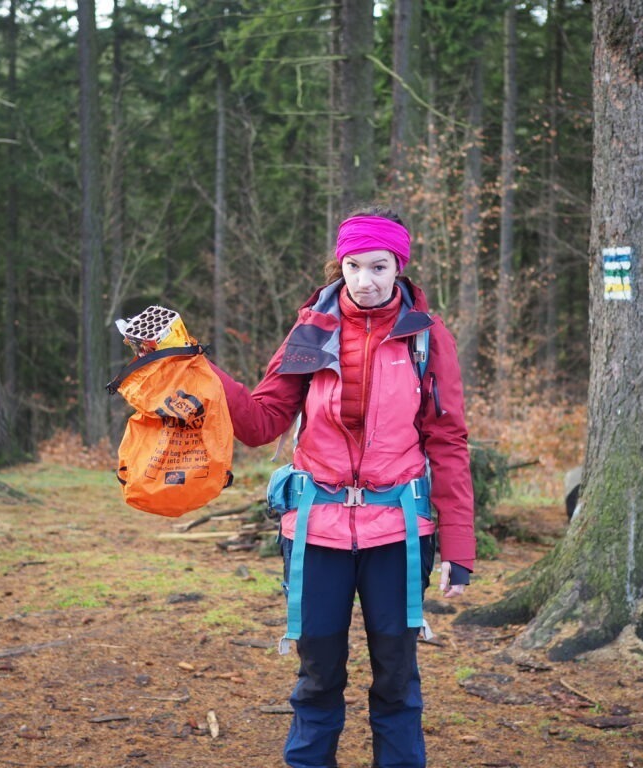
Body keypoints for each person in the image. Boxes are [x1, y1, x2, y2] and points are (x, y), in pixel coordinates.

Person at [211, 205, 475, 768]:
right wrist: (204, 376)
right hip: (316, 532)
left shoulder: (426, 339)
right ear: (341, 265)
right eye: (353, 266)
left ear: (399, 266)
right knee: (317, 676)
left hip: (398, 533)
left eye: (379, 266)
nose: (366, 280)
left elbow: (448, 442)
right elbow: (261, 423)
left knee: (397, 681)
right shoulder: (312, 330)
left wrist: (458, 546)